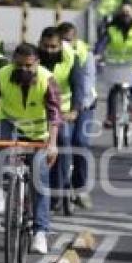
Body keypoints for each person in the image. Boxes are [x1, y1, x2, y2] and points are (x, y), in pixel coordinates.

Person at [0, 43, 62, 255]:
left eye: (29, 66)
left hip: (39, 133)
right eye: (19, 65)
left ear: (37, 63)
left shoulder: (47, 79)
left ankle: (40, 232)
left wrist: (53, 144)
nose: (24, 70)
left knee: (39, 176)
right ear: (13, 62)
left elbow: (55, 114)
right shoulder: (2, 75)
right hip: (11, 125)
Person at [36, 27, 87, 212]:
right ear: (40, 43)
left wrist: (74, 110)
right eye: (46, 46)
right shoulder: (31, 58)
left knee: (63, 141)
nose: (49, 50)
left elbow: (79, 86)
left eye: (53, 47)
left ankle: (57, 191)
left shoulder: (71, 57)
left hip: (62, 111)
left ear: (60, 45)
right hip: (36, 111)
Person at [58, 21, 97, 209]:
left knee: (81, 143)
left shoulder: (84, 54)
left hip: (84, 106)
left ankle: (81, 188)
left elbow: (87, 83)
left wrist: (78, 108)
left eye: (69, 40)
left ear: (75, 39)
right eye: (62, 40)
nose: (65, 44)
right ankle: (56, 185)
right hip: (60, 108)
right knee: (61, 141)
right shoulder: (53, 54)